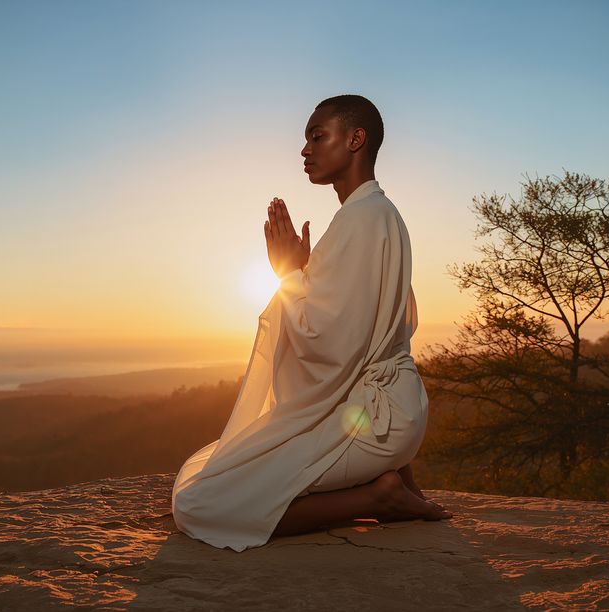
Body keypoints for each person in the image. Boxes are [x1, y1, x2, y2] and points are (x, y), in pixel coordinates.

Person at [171, 94, 451, 552]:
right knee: (212, 466)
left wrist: (287, 274)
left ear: (355, 139)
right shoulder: (374, 215)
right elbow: (379, 333)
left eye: (317, 136)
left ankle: (380, 497)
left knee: (201, 502)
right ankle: (395, 479)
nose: (305, 150)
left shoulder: (362, 219)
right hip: (389, 414)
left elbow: (330, 346)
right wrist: (302, 274)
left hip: (373, 423)